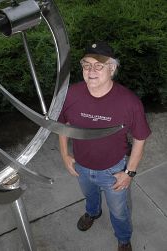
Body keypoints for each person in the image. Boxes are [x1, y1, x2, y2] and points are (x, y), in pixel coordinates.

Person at [58, 41, 151, 251]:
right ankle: (93, 212)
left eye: (99, 66)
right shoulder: (70, 94)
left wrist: (129, 172)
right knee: (90, 196)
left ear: (112, 68)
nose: (91, 71)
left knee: (119, 211)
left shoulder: (129, 102)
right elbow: (63, 125)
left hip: (114, 170)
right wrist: (65, 155)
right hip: (81, 165)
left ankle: (124, 239)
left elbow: (140, 137)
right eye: (86, 65)